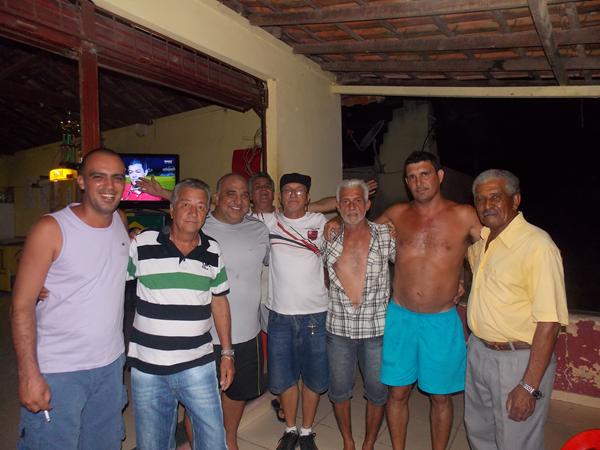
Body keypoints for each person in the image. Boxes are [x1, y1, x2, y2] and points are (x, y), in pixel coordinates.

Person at [11, 148, 129, 450]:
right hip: (60, 370)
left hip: (110, 365)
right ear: (81, 181)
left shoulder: (120, 220)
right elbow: (21, 306)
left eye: (117, 177)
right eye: (98, 176)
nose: (109, 186)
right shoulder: (51, 229)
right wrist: (28, 375)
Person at [127, 178, 234, 450]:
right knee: (153, 444)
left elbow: (219, 301)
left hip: (197, 364)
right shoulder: (141, 243)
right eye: (186, 204)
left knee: (213, 442)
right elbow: (110, 279)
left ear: (206, 212)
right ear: (172, 209)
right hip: (148, 367)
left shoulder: (213, 250)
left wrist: (227, 354)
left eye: (200, 206)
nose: (193, 212)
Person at [465, 169, 568, 450]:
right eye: (480, 199)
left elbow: (550, 323)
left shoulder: (537, 246)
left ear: (516, 200)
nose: (487, 205)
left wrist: (528, 386)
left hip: (518, 360)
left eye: (495, 197)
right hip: (479, 352)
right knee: (480, 433)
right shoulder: (482, 243)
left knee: (516, 441)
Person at [321, 179, 396, 450]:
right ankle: (348, 441)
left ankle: (369, 443)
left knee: (377, 392)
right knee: (339, 391)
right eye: (346, 201)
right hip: (338, 330)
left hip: (376, 330)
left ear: (367, 204)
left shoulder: (386, 235)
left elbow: (414, 263)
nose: (352, 206)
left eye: (357, 201)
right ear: (338, 206)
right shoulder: (327, 237)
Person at [203, 173, 269, 450]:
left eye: (244, 195)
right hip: (203, 336)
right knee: (200, 399)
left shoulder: (259, 230)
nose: (238, 200)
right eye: (231, 193)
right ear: (217, 197)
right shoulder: (198, 226)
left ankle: (230, 438)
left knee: (237, 393)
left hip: (247, 333)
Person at [266, 173, 329, 450]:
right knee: (285, 377)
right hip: (280, 315)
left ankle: (306, 431)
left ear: (308, 197)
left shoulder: (321, 222)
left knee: (314, 377)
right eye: (288, 190)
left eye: (299, 191)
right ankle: (290, 429)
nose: (293, 194)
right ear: (280, 197)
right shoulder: (269, 221)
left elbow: (340, 203)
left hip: (316, 314)